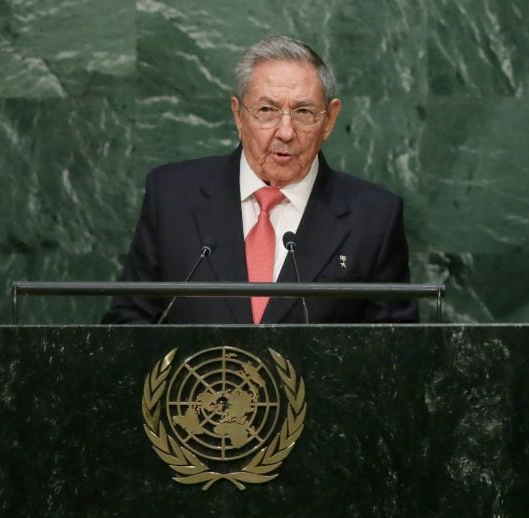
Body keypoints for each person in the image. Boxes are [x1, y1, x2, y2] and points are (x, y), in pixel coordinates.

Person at [102, 36, 419, 324]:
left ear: (330, 119)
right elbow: (130, 323)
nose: (285, 132)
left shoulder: (374, 217)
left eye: (304, 112)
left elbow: (394, 355)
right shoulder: (172, 196)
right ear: (238, 115)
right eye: (267, 110)